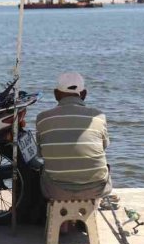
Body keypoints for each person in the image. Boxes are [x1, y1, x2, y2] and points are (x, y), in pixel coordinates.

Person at [36, 72, 112, 201]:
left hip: (56, 191)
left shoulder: (43, 118)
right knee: (106, 166)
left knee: (43, 168)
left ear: (56, 94)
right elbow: (104, 147)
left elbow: (40, 153)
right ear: (84, 94)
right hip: (96, 189)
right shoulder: (99, 117)